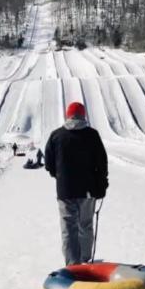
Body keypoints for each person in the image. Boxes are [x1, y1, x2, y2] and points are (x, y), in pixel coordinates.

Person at [45, 102, 108, 265]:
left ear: (68, 115)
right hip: (88, 190)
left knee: (68, 228)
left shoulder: (56, 136)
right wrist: (101, 185)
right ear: (84, 115)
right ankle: (85, 258)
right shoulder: (92, 135)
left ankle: (72, 264)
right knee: (85, 224)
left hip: (65, 191)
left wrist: (58, 176)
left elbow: (49, 163)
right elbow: (101, 163)